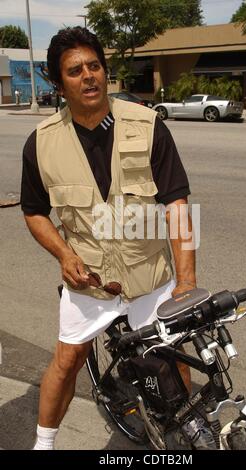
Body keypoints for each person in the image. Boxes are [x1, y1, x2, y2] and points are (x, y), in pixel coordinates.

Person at [21, 26, 196, 450]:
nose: (88, 76)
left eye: (94, 65)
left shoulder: (148, 124)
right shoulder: (41, 144)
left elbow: (177, 204)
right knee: (67, 361)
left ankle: (186, 432)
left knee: (174, 358)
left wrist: (186, 282)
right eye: (75, 70)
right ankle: (44, 443)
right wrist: (63, 254)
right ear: (58, 82)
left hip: (148, 275)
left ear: (105, 70)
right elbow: (34, 212)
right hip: (89, 283)